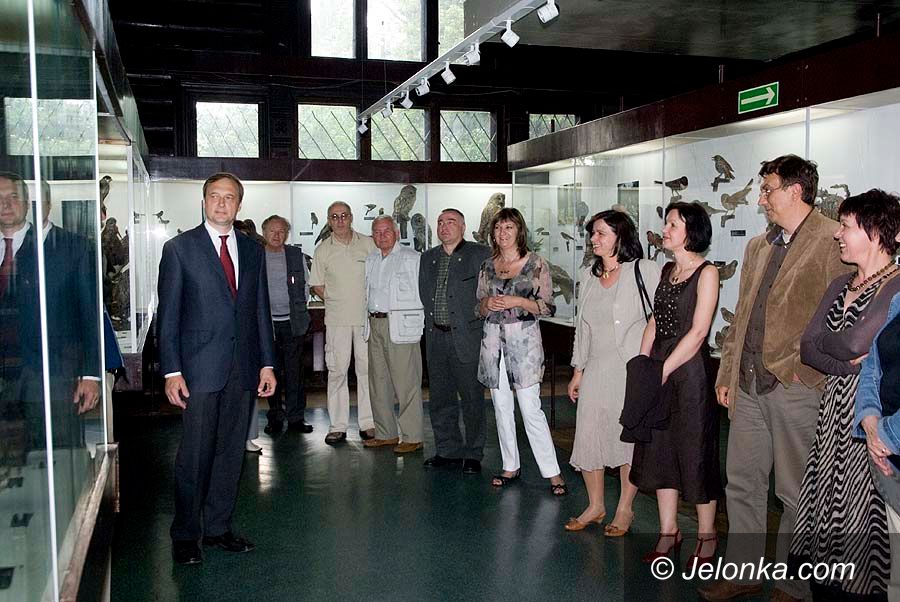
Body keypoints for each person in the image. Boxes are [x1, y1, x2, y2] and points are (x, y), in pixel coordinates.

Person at [699, 155, 849, 602]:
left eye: (768, 190)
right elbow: (742, 315)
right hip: (748, 385)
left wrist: (807, 372)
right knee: (742, 483)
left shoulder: (830, 241)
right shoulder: (758, 246)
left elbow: (840, 319)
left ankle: (794, 582)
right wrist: (727, 371)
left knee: (794, 490)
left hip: (795, 387)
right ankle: (744, 572)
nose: (761, 199)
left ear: (795, 191)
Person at [158, 172, 276, 566]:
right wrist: (171, 370)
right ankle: (185, 534)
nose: (222, 203)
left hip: (242, 370)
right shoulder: (180, 249)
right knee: (194, 456)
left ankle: (218, 528)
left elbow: (259, 311)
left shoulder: (253, 251)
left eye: (229, 197)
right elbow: (169, 316)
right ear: (204, 201)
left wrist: (267, 364)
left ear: (239, 205)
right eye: (214, 196)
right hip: (198, 372)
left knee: (229, 454)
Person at [790, 190, 900, 599]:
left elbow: (854, 341)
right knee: (827, 498)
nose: (838, 234)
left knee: (860, 503)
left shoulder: (895, 284)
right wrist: (846, 364)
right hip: (833, 405)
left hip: (867, 411)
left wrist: (835, 348)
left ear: (875, 232)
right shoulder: (841, 282)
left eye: (846, 226)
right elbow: (808, 347)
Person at [630, 201, 722, 567]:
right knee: (660, 451)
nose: (665, 230)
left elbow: (698, 332)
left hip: (690, 373)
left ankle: (707, 536)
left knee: (695, 452)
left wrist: (664, 369)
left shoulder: (708, 272)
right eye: (666, 224)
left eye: (672, 224)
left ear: (691, 231)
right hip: (660, 367)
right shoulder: (668, 270)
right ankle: (668, 531)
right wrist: (643, 365)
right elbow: (655, 320)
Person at [566, 209, 660, 533]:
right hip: (595, 368)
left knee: (626, 440)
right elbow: (583, 328)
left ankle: (624, 509)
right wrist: (578, 370)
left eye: (601, 233)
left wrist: (647, 361)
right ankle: (595, 506)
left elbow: (660, 318)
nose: (594, 239)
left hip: (630, 370)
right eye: (592, 233)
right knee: (589, 433)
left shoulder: (644, 270)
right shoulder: (589, 276)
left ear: (621, 236)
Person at [0, 173, 101, 452]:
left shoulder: (70, 248)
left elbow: (90, 315)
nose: (5, 205)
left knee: (59, 455)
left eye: (13, 197)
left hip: (52, 377)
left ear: (27, 203)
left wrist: (91, 375)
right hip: (5, 380)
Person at [476, 207, 566, 495]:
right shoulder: (487, 266)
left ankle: (552, 473)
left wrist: (518, 301)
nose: (502, 233)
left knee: (530, 408)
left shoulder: (536, 263)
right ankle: (510, 465)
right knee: (501, 407)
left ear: (519, 231)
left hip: (524, 344)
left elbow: (547, 306)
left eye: (509, 228)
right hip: (493, 345)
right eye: (498, 228)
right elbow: (478, 306)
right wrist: (486, 305)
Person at [419, 209, 492, 474]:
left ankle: (473, 453)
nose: (444, 226)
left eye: (451, 222)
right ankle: (447, 450)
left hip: (467, 339)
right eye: (440, 222)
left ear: (463, 226)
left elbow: (487, 294)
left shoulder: (480, 255)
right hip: (436, 338)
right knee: (440, 398)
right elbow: (424, 295)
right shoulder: (428, 258)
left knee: (472, 398)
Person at [309, 202, 377, 445]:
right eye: (334, 217)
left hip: (365, 320)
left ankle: (368, 423)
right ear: (329, 221)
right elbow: (317, 284)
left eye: (344, 216)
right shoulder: (322, 250)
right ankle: (337, 426)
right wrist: (336, 299)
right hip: (337, 321)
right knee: (337, 372)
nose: (339, 220)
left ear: (351, 217)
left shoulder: (368, 244)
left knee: (367, 371)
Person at [362, 216, 425, 454]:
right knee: (378, 382)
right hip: (374, 324)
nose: (382, 236)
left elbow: (422, 292)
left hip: (400, 325)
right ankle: (385, 433)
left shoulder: (412, 258)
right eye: (377, 232)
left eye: (386, 231)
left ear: (397, 233)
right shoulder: (371, 259)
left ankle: (413, 436)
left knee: (406, 382)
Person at [260, 214, 312, 436]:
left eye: (281, 231)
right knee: (270, 372)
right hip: (266, 326)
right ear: (264, 233)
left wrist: (299, 308)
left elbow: (306, 284)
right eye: (272, 231)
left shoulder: (295, 255)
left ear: (287, 234)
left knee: (295, 373)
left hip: (292, 323)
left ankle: (296, 418)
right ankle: (275, 417)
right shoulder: (255, 256)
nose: (277, 235)